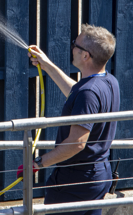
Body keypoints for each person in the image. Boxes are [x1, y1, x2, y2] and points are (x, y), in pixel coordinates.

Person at [23, 24, 120, 215]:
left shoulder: (88, 92)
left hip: (75, 182)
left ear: (85, 56)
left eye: (76, 44)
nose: (73, 47)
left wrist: (37, 164)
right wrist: (46, 63)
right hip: (98, 174)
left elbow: (76, 144)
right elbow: (75, 93)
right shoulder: (107, 81)